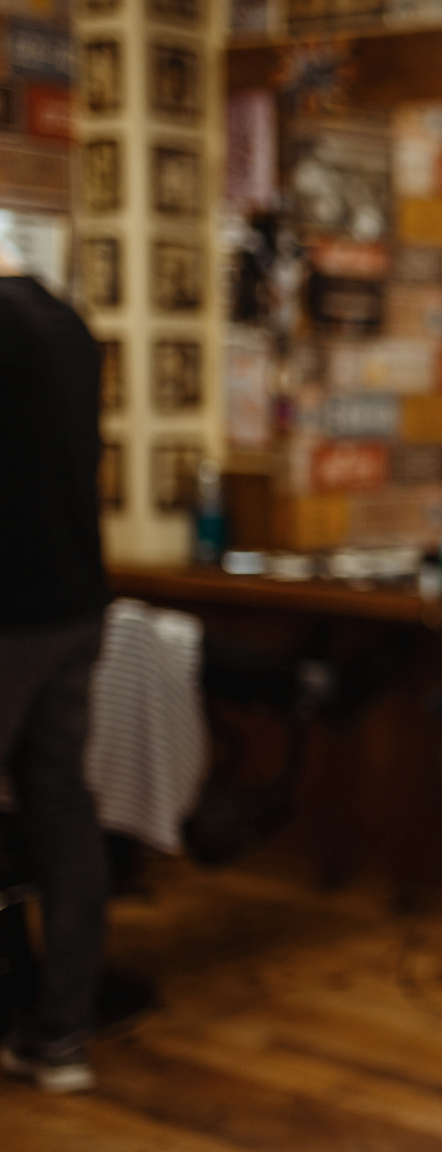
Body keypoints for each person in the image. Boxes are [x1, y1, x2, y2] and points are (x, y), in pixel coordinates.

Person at [0, 239, 110, 1094]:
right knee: (63, 815)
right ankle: (60, 1035)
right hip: (77, 599)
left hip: (8, 611)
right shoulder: (68, 323)